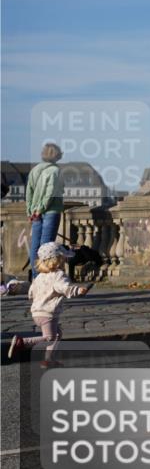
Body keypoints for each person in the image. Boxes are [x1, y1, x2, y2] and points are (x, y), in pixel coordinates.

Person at [7, 242, 92, 366]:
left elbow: (31, 293)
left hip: (37, 313)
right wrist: (78, 290)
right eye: (63, 258)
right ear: (56, 260)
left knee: (57, 334)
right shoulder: (59, 275)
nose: (65, 261)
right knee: (49, 337)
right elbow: (63, 287)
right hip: (48, 313)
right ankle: (22, 342)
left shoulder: (39, 277)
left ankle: (49, 359)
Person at [26, 143, 65, 278]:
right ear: (56, 155)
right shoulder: (55, 171)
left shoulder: (34, 170)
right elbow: (50, 193)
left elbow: (29, 192)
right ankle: (43, 278)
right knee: (47, 248)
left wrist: (31, 210)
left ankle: (36, 277)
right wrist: (42, 208)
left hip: (36, 212)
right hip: (51, 210)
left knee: (35, 248)